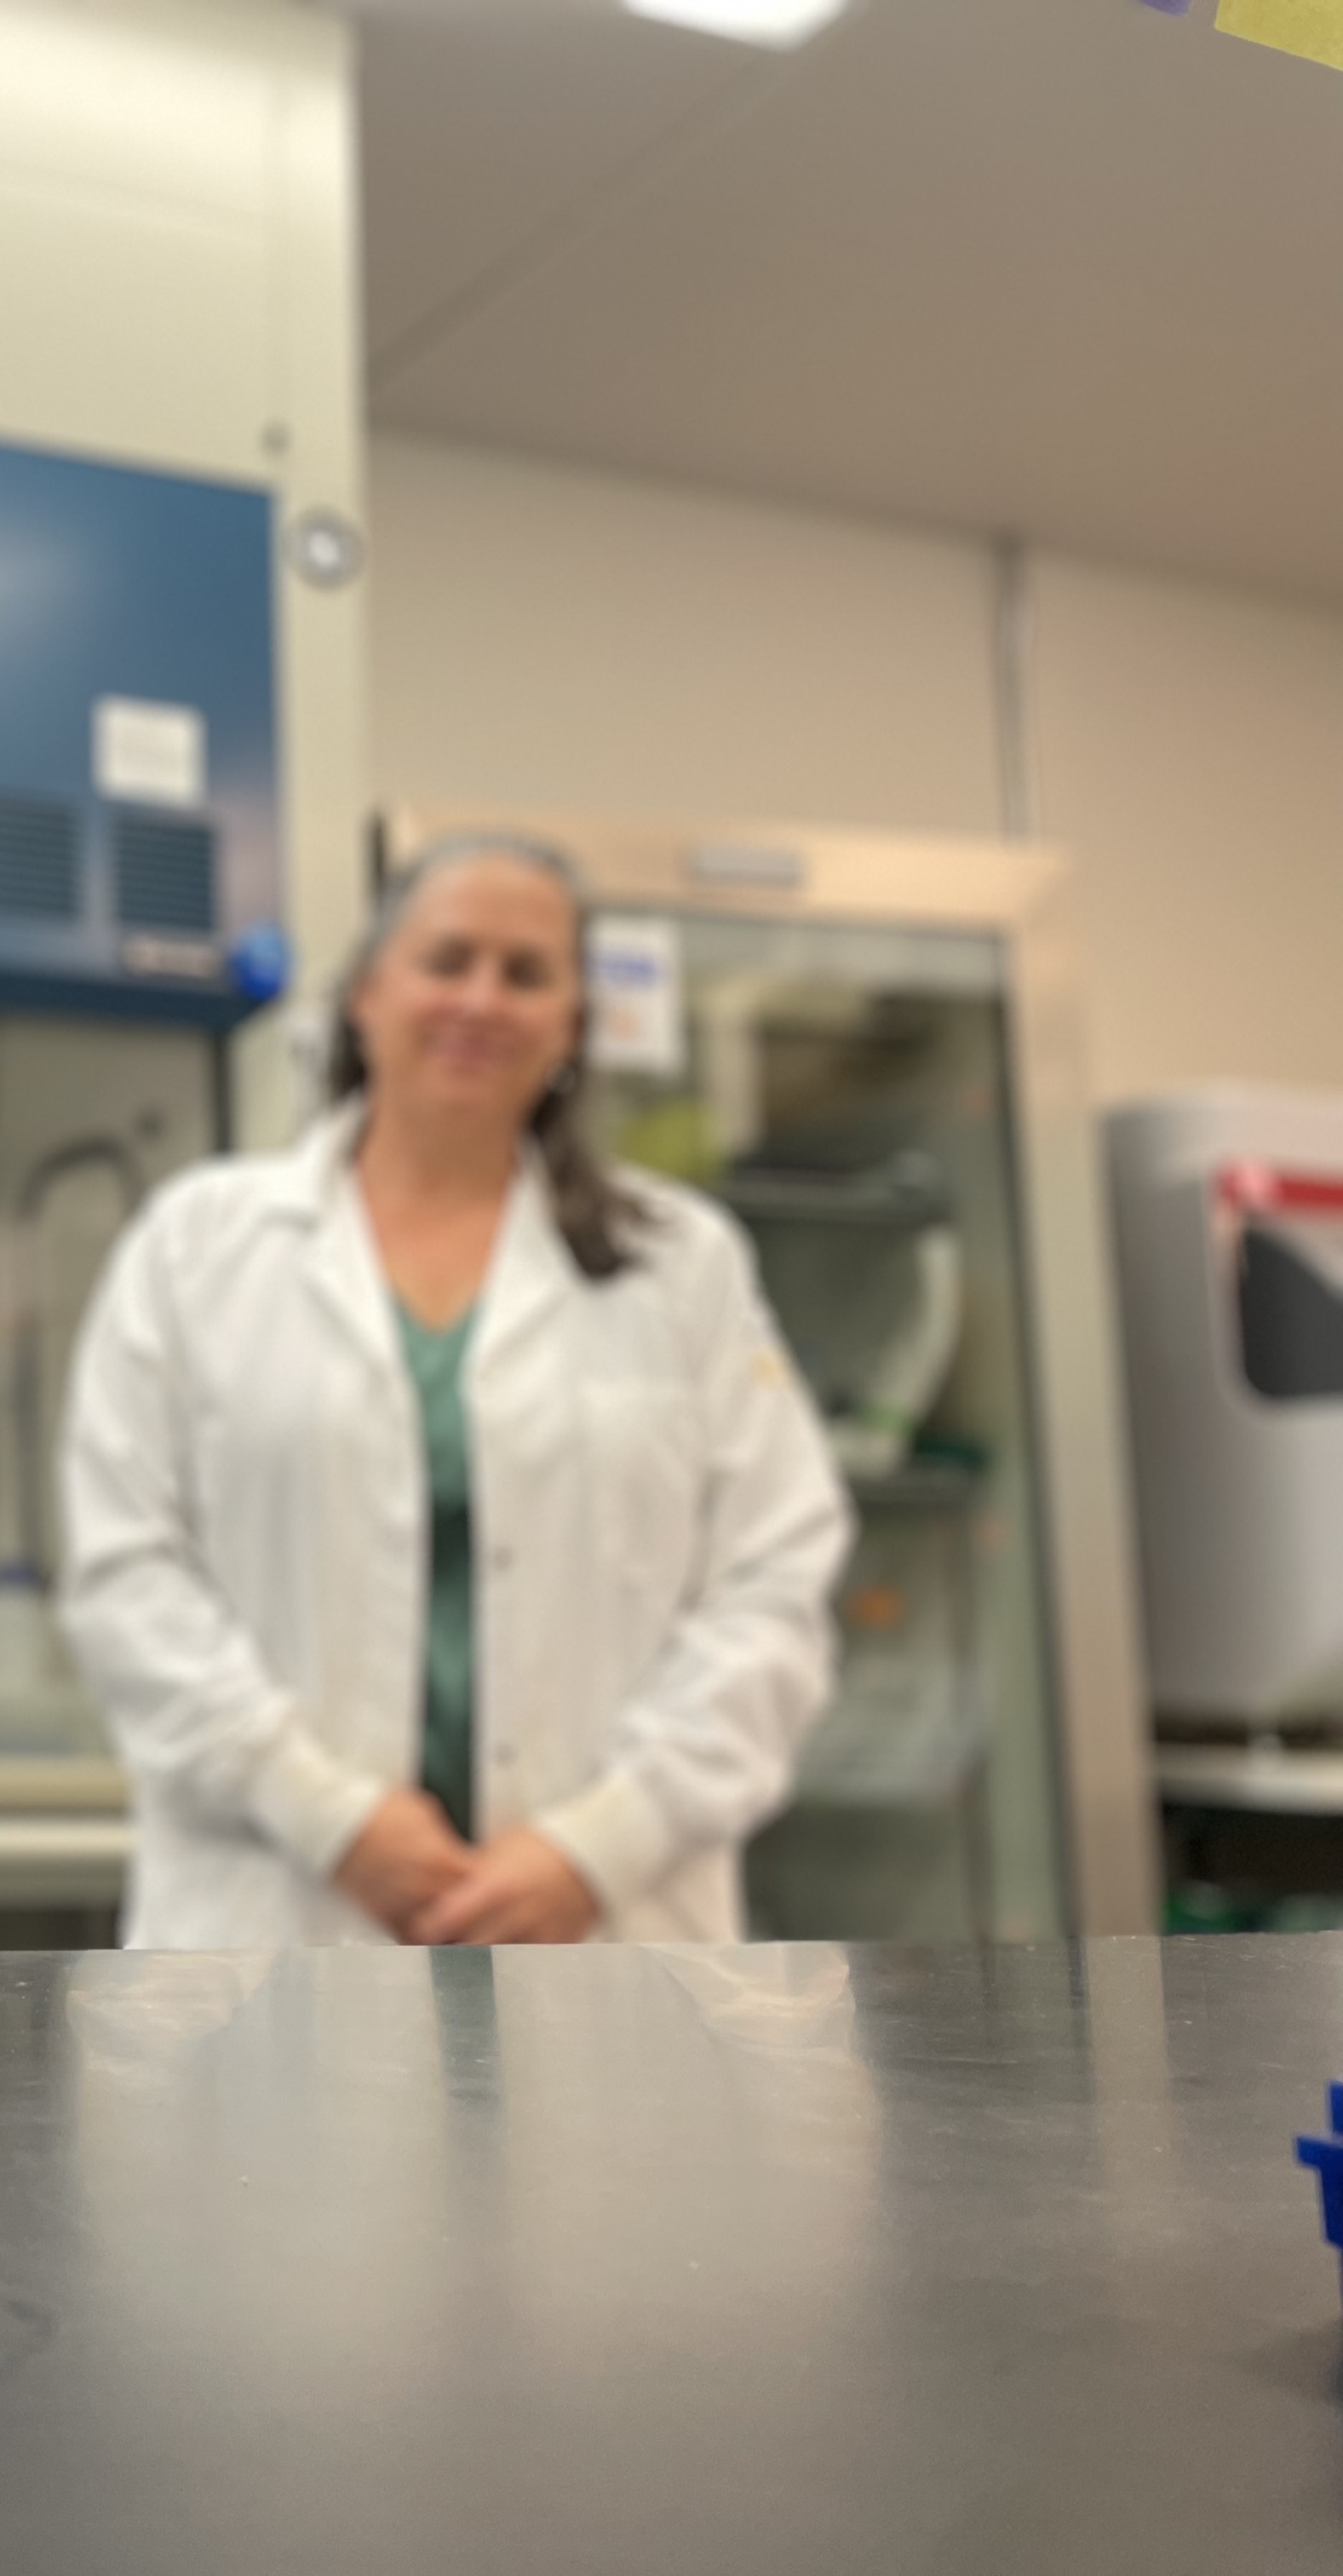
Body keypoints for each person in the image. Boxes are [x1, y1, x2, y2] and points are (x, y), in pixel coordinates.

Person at [59, 834, 850, 1949]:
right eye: (448, 960)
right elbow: (125, 1572)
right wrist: (322, 1811)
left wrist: (602, 1844)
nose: (483, 999)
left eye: (527, 974)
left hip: (598, 1929)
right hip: (283, 1917)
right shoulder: (197, 1248)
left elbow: (774, 1579)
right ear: (368, 994)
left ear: (573, 1025)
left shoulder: (683, 1266)